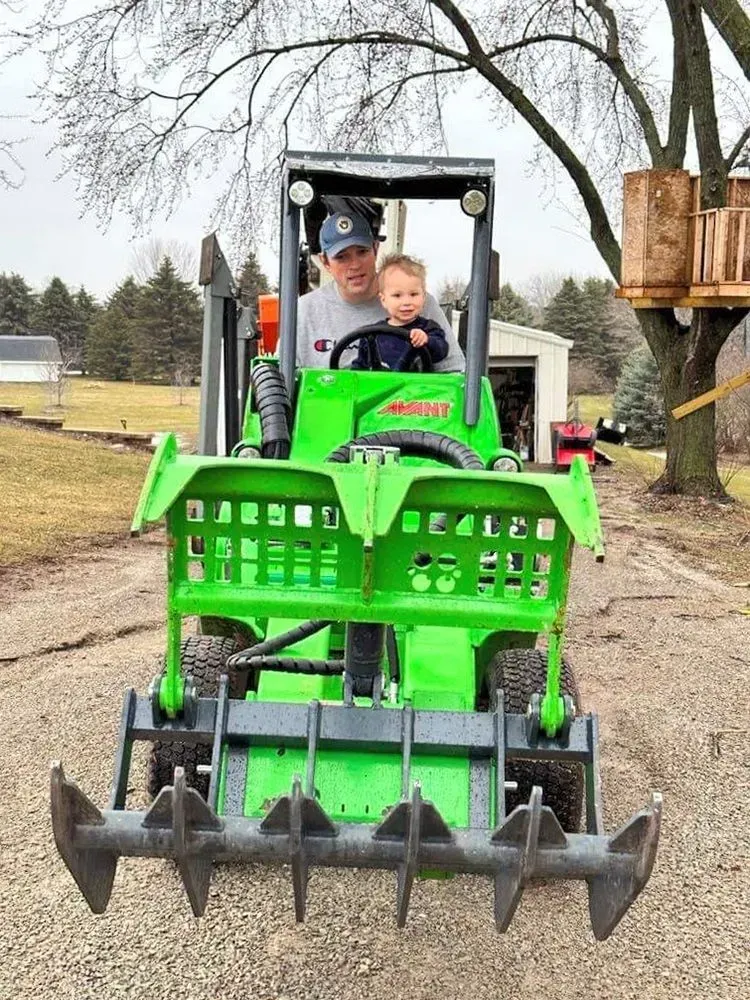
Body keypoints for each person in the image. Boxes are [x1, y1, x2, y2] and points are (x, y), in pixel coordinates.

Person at [296, 211, 465, 371]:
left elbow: (453, 372)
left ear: (375, 249)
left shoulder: (418, 303)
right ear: (325, 262)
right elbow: (282, 380)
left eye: (362, 252)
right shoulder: (304, 311)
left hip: (410, 399)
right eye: (341, 257)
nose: (354, 265)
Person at [350, 253, 448, 370]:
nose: (406, 302)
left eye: (413, 294)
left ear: (423, 297)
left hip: (416, 386)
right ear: (384, 300)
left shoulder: (428, 329)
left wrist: (426, 340)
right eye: (397, 295)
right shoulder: (371, 335)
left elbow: (441, 351)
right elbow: (360, 366)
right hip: (379, 386)